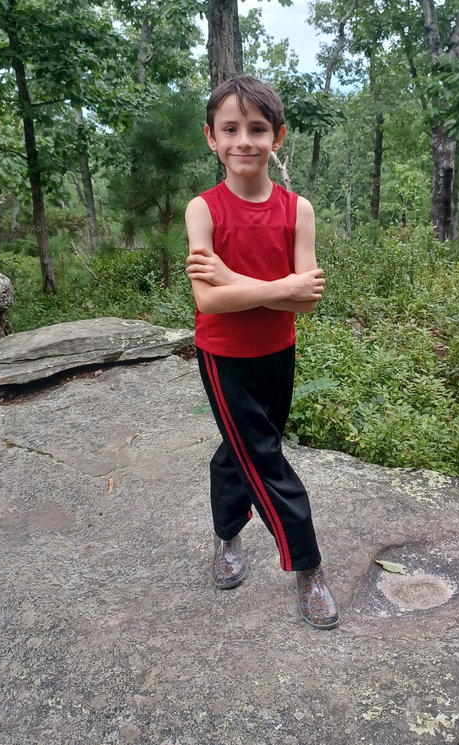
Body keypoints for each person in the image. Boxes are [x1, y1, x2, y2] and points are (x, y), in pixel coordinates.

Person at [184, 75, 339, 629]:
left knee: (241, 451)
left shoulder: (298, 210)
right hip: (223, 357)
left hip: (279, 351)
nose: (243, 141)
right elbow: (211, 301)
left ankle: (227, 534)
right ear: (211, 137)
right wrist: (276, 289)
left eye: (257, 129)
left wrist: (236, 280)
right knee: (263, 458)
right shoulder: (203, 210)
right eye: (230, 129)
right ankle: (309, 565)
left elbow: (307, 304)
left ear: (277, 136)